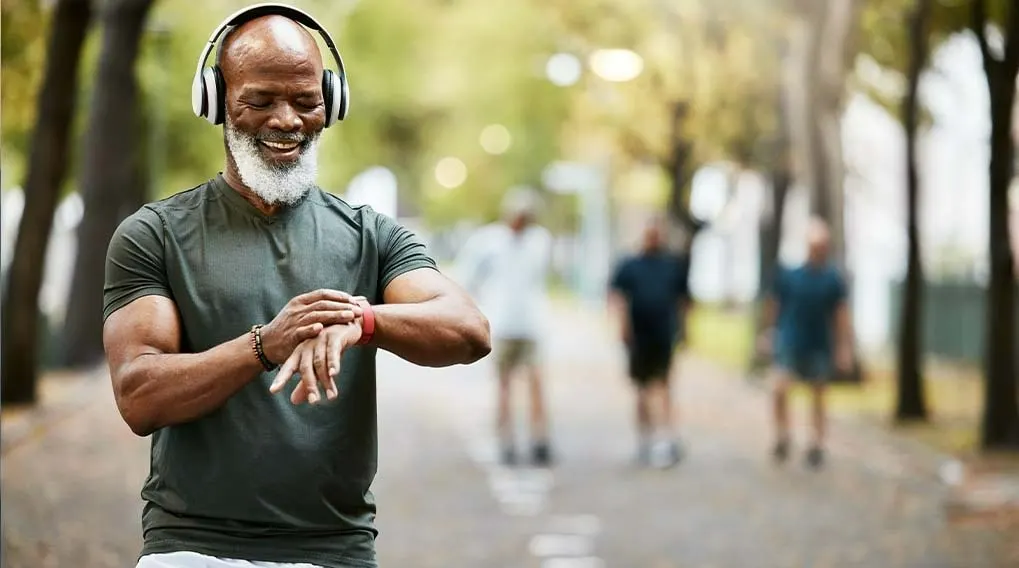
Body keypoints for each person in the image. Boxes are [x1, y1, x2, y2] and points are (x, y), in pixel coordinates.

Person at [102, 6, 491, 568]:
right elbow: (139, 395)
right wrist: (265, 345)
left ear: (330, 104)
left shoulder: (371, 235)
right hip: (191, 548)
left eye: (305, 100)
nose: (285, 119)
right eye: (259, 100)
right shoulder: (154, 234)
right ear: (214, 99)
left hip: (335, 550)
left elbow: (469, 330)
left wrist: (362, 319)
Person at [455, 187, 554, 467]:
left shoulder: (539, 241)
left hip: (532, 323)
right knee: (504, 385)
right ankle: (506, 440)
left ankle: (539, 439)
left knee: (536, 383)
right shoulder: (489, 241)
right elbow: (469, 276)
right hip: (502, 323)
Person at [759, 217, 853, 469]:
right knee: (779, 389)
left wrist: (844, 348)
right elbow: (774, 305)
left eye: (822, 244)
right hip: (790, 340)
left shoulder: (833, 279)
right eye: (814, 244)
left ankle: (816, 444)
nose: (818, 248)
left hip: (819, 342)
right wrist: (769, 332)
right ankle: (782, 436)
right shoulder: (790, 275)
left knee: (818, 395)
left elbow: (841, 315)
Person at [608, 216, 690, 468]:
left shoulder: (671, 265)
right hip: (639, 335)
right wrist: (622, 326)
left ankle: (666, 438)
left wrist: (685, 329)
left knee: (664, 385)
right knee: (642, 388)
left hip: (663, 333)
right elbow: (617, 295)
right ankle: (644, 439)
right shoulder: (630, 264)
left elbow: (683, 299)